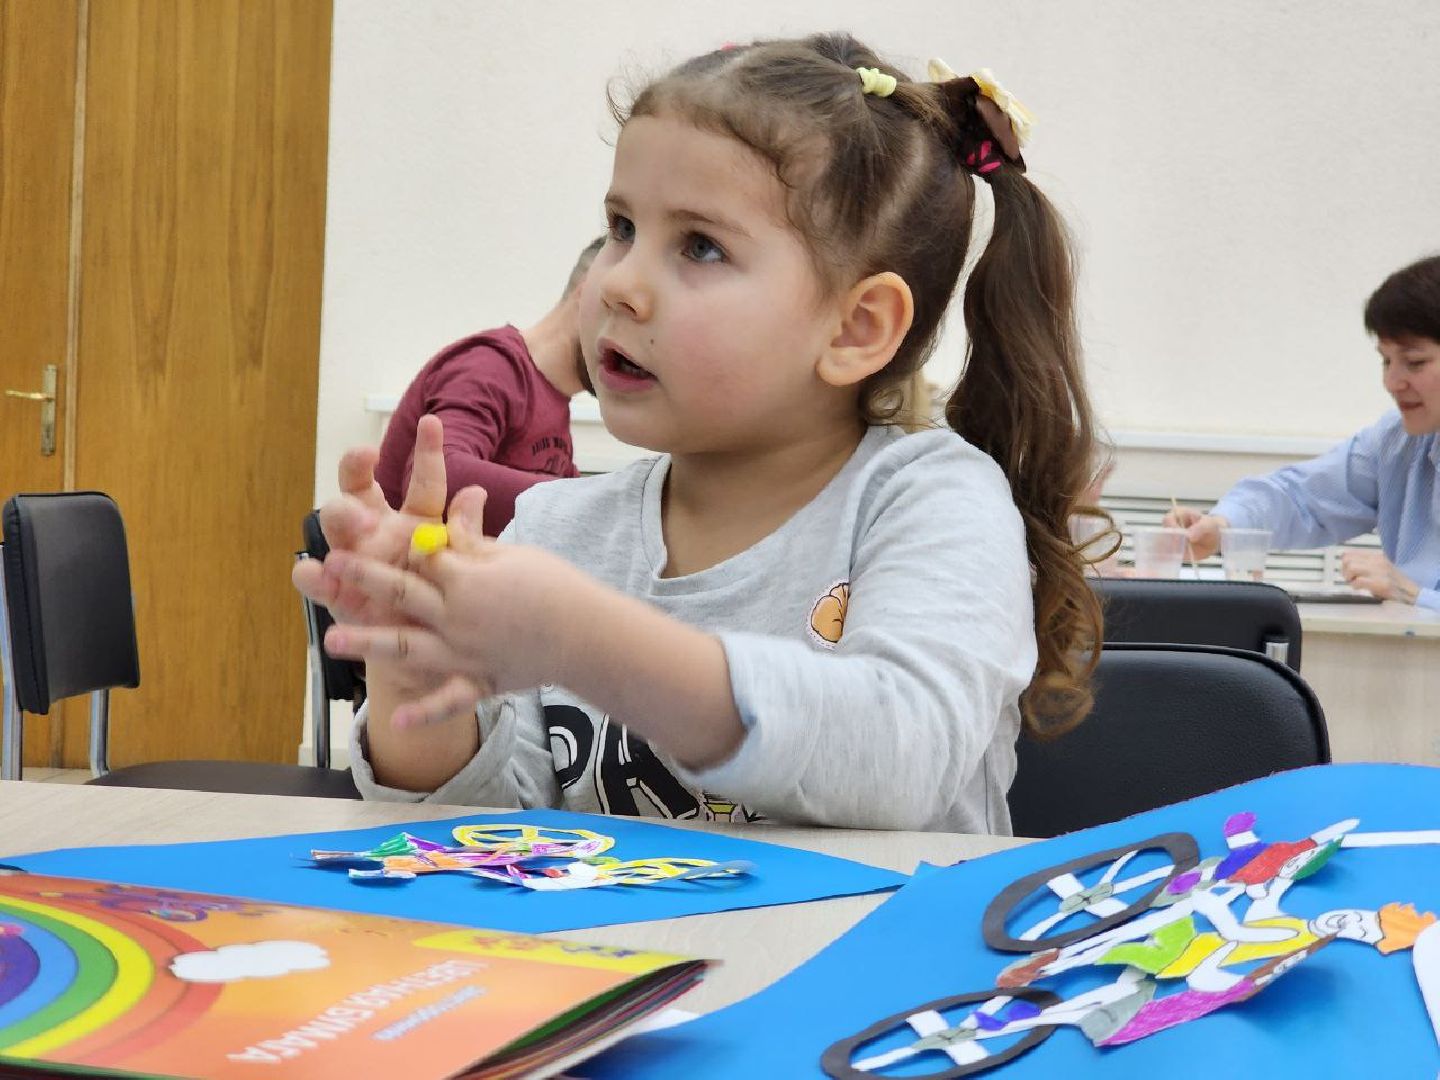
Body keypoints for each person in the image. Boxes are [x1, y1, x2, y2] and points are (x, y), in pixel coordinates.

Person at [293, 35, 1103, 832]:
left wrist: (581, 638)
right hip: (626, 961)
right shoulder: (558, 528)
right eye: (620, 227)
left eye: (701, 246)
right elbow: (500, 830)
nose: (619, 284)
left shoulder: (928, 499)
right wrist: (417, 687)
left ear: (855, 328)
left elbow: (898, 763)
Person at [1166, 255, 1440, 609]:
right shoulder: (1398, 442)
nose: (1390, 382)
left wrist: (1420, 598)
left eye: (1414, 362)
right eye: (1385, 360)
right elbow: (1302, 497)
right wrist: (1223, 526)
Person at [373, 237, 605, 536]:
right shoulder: (492, 366)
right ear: (587, 294)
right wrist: (592, 502)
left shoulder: (554, 401)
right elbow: (442, 476)